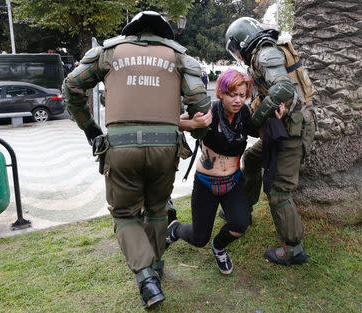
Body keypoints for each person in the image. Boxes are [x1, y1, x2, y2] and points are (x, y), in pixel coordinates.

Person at [62, 11, 211, 309]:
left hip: (120, 147)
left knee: (124, 214)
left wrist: (91, 128)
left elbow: (71, 86)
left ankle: (146, 278)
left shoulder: (107, 52)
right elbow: (201, 101)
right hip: (166, 147)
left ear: (131, 30)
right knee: (157, 209)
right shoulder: (179, 56)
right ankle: (155, 267)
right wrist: (199, 129)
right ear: (165, 32)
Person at [225, 17, 316, 266]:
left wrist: (256, 118)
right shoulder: (264, 53)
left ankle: (293, 249)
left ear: (243, 42)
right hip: (283, 129)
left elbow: (283, 89)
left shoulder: (265, 54)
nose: (237, 54)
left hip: (292, 131)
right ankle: (244, 210)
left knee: (278, 191)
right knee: (251, 158)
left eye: (235, 48)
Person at [166, 69, 271, 275]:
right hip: (206, 183)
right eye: (232, 94)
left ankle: (219, 247)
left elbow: (263, 134)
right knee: (199, 238)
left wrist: (275, 117)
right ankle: (175, 229)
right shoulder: (209, 110)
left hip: (233, 183)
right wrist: (193, 124)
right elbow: (173, 121)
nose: (238, 100)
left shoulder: (245, 114)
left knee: (240, 225)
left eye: (242, 95)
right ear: (221, 93)